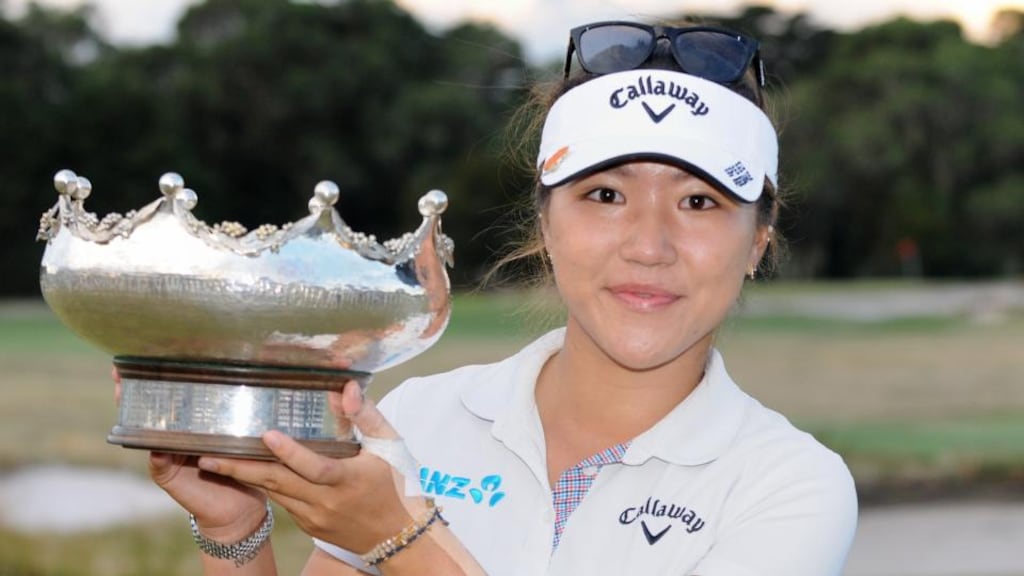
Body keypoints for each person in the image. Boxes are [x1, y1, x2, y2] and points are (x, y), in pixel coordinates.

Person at [128, 19, 858, 575]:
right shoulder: (422, 416)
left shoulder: (790, 485)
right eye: (605, 195)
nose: (648, 245)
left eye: (699, 202)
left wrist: (399, 538)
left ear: (758, 242)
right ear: (545, 223)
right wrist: (233, 532)